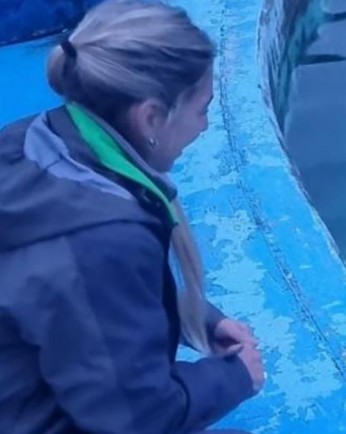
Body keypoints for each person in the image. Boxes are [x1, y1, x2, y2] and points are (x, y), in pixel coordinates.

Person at [0, 1, 265, 432]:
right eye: (201, 109)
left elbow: (65, 298)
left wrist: (195, 316)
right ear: (151, 117)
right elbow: (133, 419)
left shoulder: (32, 139)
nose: (204, 125)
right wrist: (235, 377)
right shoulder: (104, 235)